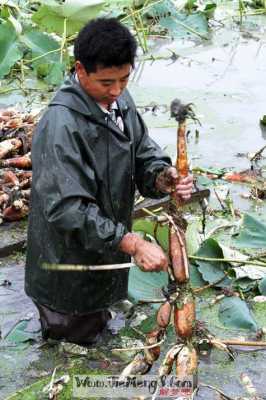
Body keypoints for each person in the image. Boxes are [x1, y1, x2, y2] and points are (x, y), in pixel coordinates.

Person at [25, 18, 193, 345]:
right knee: (73, 350)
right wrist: (133, 243)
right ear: (80, 70)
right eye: (106, 82)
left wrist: (162, 176)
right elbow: (68, 209)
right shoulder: (61, 125)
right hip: (67, 270)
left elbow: (141, 149)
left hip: (104, 256)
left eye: (124, 79)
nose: (116, 90)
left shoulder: (119, 102)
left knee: (100, 333)